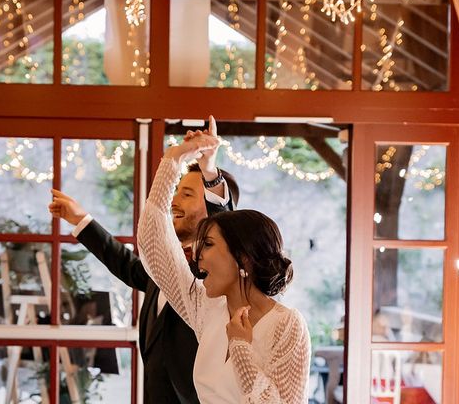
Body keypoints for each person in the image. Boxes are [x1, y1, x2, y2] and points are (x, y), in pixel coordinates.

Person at [49, 135, 239, 404]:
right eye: (176, 192)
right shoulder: (163, 267)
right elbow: (129, 268)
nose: (174, 201)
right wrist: (81, 220)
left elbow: (224, 221)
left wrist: (209, 168)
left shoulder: (218, 266)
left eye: (187, 194)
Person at [137, 117, 311, 403]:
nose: (196, 254)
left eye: (207, 245)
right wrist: (174, 157)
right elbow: (152, 240)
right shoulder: (206, 308)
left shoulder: (287, 325)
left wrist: (241, 348)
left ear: (242, 258)